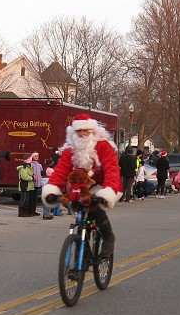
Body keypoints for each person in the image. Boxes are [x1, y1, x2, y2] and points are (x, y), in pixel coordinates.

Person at [42, 113, 122, 277]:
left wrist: (106, 193)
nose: (82, 134)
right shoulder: (70, 150)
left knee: (95, 208)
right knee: (80, 222)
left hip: (100, 183)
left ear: (92, 131)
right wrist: (52, 191)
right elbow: (61, 171)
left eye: (85, 131)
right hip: (80, 186)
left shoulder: (102, 146)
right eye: (79, 131)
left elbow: (112, 170)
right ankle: (82, 262)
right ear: (74, 132)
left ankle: (108, 237)